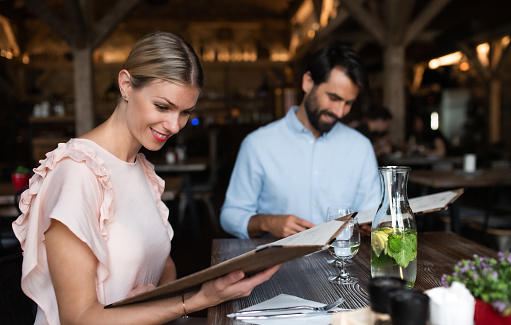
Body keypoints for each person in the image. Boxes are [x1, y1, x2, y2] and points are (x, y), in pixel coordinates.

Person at [12, 32, 279, 325]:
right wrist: (197, 299)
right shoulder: (77, 172)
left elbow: (163, 263)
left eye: (184, 113)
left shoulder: (142, 169)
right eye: (163, 107)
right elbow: (79, 318)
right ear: (126, 85)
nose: (175, 126)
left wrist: (153, 298)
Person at [220, 45, 381, 239]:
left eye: (348, 103)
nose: (340, 112)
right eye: (333, 98)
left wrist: (374, 224)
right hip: (277, 266)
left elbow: (372, 212)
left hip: (343, 265)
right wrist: (268, 222)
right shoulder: (257, 144)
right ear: (308, 82)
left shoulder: (360, 147)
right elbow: (230, 215)